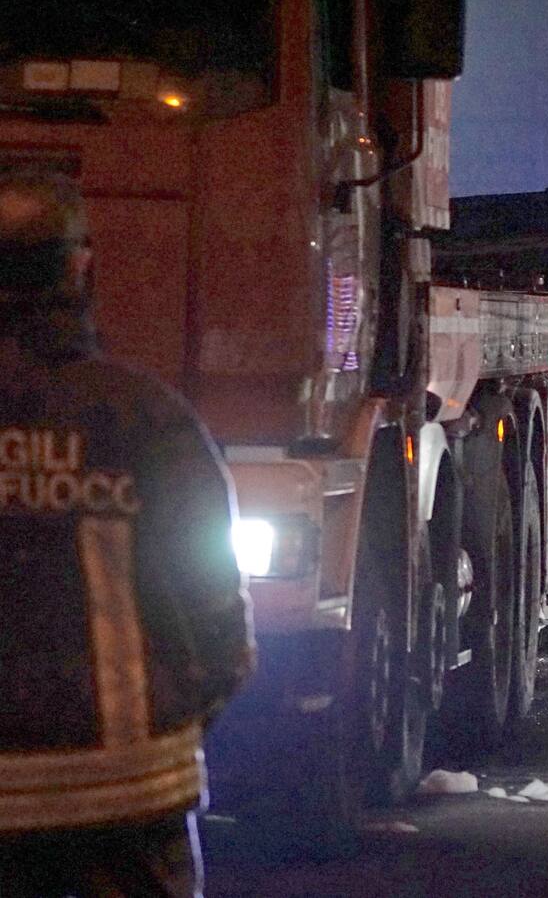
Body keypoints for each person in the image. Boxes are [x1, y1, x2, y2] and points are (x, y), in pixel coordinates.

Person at [0, 168, 255, 896]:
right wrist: (166, 723)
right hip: (128, 813)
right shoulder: (149, 419)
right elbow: (220, 624)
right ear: (81, 268)